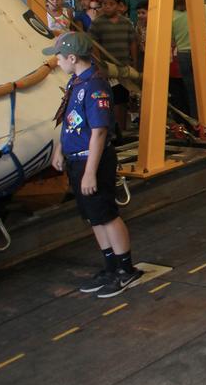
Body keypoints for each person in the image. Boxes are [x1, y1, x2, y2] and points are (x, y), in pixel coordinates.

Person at [45, 32, 144, 297]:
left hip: (94, 161)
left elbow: (99, 132)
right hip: (77, 159)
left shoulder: (95, 86)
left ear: (72, 57)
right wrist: (60, 148)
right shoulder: (74, 83)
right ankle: (110, 266)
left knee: (107, 215)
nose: (56, 61)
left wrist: (90, 172)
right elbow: (69, 119)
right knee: (94, 218)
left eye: (58, 56)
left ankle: (126, 269)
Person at [88, 0, 137, 141]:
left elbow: (133, 42)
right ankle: (111, 131)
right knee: (108, 99)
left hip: (123, 65)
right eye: (105, 4)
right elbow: (94, 44)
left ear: (119, 6)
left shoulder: (126, 22)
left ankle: (122, 129)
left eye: (111, 4)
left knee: (122, 99)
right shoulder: (97, 23)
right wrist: (99, 64)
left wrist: (133, 61)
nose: (107, 7)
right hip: (106, 68)